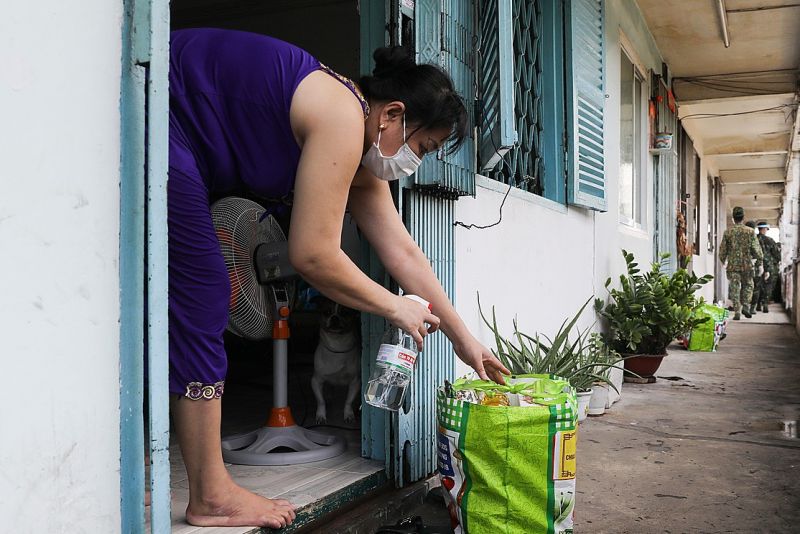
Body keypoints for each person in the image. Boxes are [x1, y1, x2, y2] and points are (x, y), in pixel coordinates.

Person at [167, 28, 510, 529]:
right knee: (204, 294)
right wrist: (395, 307)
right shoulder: (342, 117)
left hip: (187, 145)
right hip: (161, 110)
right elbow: (313, 255)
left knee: (198, 294)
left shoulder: (361, 148)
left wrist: (465, 340)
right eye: (423, 145)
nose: (415, 163)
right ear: (391, 114)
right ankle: (212, 496)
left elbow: (408, 255)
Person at [719, 207, 763, 320]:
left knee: (735, 288)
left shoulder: (728, 232)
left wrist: (723, 261)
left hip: (733, 266)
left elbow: (723, 250)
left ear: (733, 218)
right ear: (743, 217)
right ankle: (746, 306)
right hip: (747, 265)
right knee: (748, 285)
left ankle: (737, 311)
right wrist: (760, 262)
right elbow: (756, 249)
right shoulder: (750, 231)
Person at [755, 221, 780, 312]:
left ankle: (757, 304)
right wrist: (775, 262)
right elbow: (777, 254)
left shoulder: (754, 239)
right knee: (768, 285)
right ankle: (765, 303)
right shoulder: (770, 240)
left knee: (757, 285)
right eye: (766, 229)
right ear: (764, 229)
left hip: (757, 266)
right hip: (769, 266)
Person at [744, 221, 761, 314]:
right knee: (755, 288)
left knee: (744, 287)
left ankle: (745, 306)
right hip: (755, 266)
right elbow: (760, 253)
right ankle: (752, 308)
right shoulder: (756, 238)